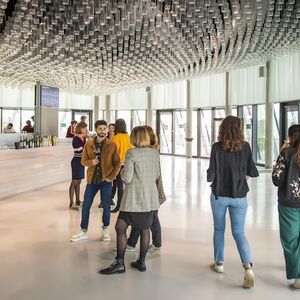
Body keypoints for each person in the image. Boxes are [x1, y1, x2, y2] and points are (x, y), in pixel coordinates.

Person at [100, 126, 161, 275]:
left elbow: (127, 178)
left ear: (135, 138)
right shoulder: (154, 153)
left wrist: (121, 171)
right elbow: (157, 175)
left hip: (133, 199)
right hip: (149, 199)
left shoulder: (131, 153)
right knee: (145, 229)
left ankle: (120, 263)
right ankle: (141, 262)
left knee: (120, 228)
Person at [207, 116, 258, 289]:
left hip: (219, 195)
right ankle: (248, 267)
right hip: (240, 196)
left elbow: (211, 174)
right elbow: (252, 170)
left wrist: (211, 176)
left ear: (222, 129)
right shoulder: (246, 147)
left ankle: (219, 263)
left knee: (219, 229)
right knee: (239, 232)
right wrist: (242, 178)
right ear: (240, 129)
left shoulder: (216, 148)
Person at [70, 120, 121, 242]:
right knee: (86, 205)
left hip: (106, 180)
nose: (102, 131)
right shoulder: (88, 144)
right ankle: (83, 231)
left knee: (106, 206)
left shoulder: (112, 145)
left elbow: (117, 163)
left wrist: (111, 177)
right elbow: (83, 161)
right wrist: (90, 162)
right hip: (92, 180)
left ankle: (105, 230)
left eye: (104, 129)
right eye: (100, 129)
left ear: (107, 130)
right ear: (96, 130)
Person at [126, 125, 166, 255]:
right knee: (145, 217)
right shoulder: (153, 151)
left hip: (150, 189)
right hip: (152, 188)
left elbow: (155, 174)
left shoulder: (144, 152)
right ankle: (131, 243)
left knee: (151, 217)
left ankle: (156, 244)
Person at [272, 125, 300, 289]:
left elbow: (277, 178)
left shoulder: (286, 153)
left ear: (290, 136)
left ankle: (298, 277)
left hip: (289, 203)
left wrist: (281, 153)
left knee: (290, 240)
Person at [110, 119, 132, 213]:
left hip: (119, 165)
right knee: (125, 186)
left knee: (119, 186)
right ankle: (126, 205)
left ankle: (119, 206)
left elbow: (113, 152)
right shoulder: (128, 136)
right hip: (128, 164)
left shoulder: (116, 137)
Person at [69, 122, 88, 210]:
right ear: (80, 128)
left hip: (81, 161)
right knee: (74, 182)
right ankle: (71, 203)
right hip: (76, 161)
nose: (85, 130)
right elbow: (79, 150)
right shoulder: (76, 138)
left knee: (79, 182)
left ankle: (77, 200)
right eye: (84, 128)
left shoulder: (84, 138)